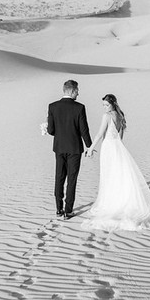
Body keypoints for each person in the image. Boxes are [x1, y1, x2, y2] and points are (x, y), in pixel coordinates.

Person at [83, 93, 150, 232]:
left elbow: (99, 134)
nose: (104, 107)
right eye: (103, 105)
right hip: (118, 148)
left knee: (109, 176)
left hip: (109, 147)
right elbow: (120, 137)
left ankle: (111, 203)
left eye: (107, 105)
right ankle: (119, 200)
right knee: (118, 175)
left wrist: (90, 148)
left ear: (112, 104)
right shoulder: (120, 116)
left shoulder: (107, 116)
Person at [47, 80, 92, 219]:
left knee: (59, 177)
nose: (78, 92)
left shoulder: (53, 106)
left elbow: (51, 130)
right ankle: (68, 210)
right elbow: (84, 129)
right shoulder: (79, 107)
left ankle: (58, 209)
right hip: (74, 148)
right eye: (77, 90)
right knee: (72, 179)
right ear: (71, 91)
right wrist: (89, 146)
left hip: (59, 147)